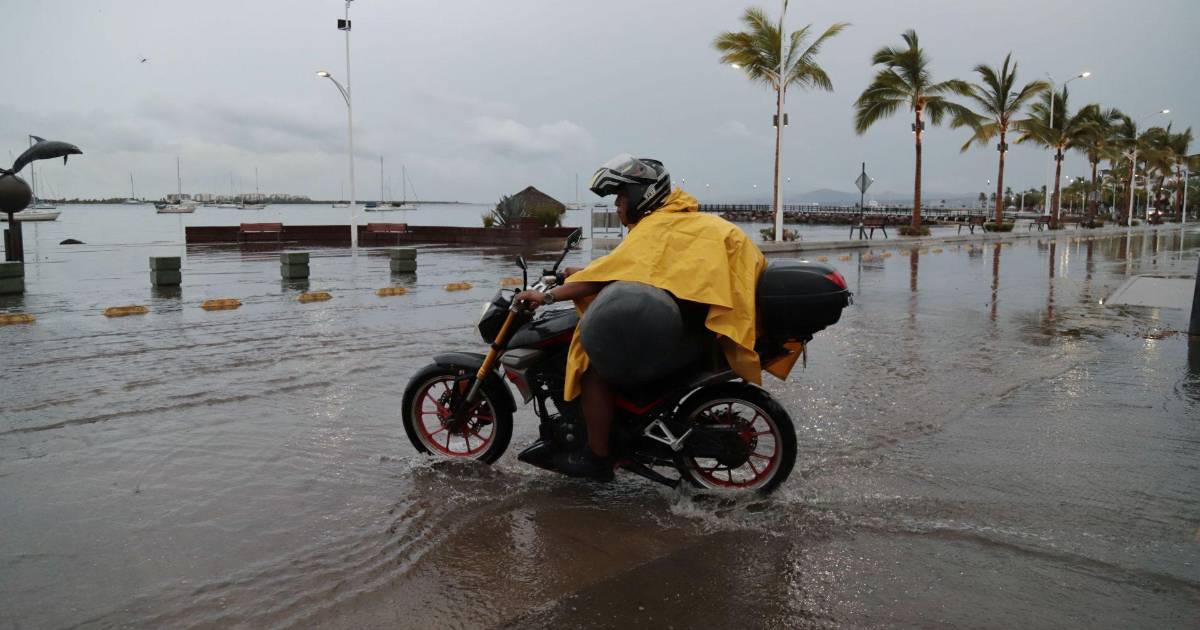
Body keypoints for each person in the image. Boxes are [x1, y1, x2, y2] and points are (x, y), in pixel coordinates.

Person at [515, 153, 768, 480]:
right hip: (703, 325)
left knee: (592, 369)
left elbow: (611, 276)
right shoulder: (679, 221)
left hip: (690, 332)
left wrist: (545, 295)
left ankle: (597, 457)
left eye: (621, 195)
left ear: (641, 194)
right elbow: (641, 271)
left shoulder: (659, 226)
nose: (617, 203)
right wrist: (577, 274)